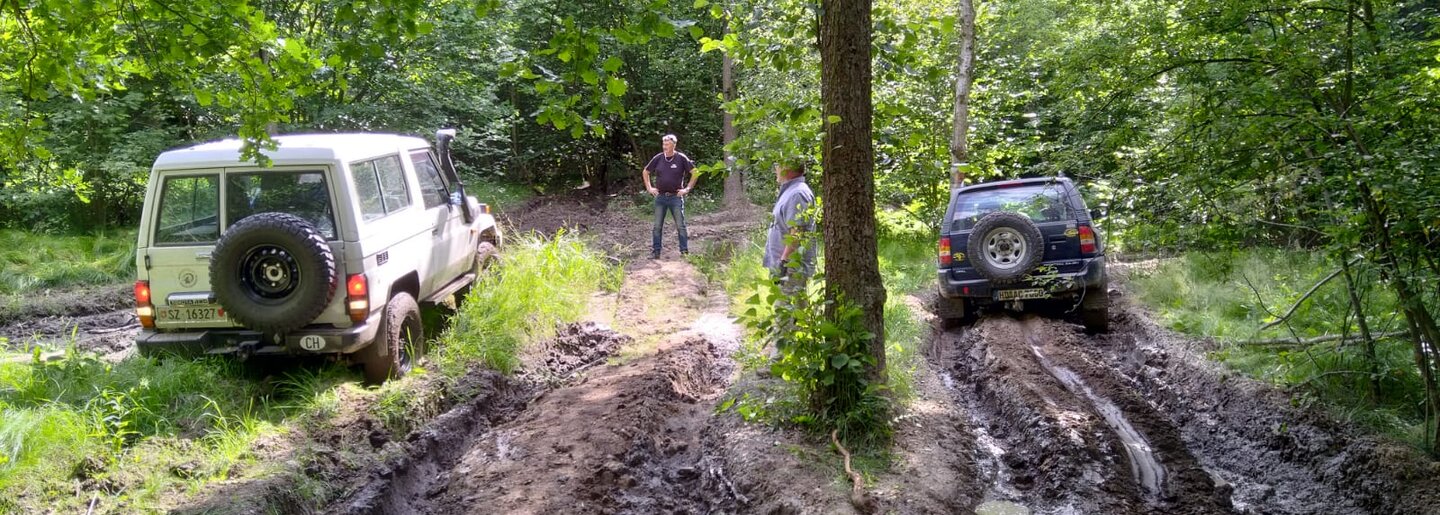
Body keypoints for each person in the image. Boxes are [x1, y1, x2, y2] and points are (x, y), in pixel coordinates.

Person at [642, 134, 698, 259]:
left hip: (675, 197)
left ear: (674, 145)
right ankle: (656, 252)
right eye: (663, 144)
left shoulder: (681, 158)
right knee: (657, 226)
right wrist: (649, 187)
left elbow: (695, 172)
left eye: (667, 144)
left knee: (680, 225)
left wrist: (687, 189)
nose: (664, 147)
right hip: (660, 197)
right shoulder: (658, 158)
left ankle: (684, 252)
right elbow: (646, 171)